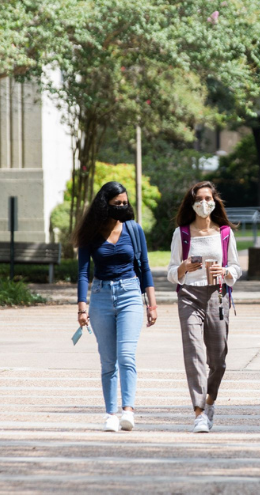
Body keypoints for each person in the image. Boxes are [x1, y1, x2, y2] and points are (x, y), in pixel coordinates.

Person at [75, 181, 157, 432]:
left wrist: (151, 305)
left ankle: (128, 410)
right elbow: (82, 272)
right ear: (104, 205)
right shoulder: (90, 232)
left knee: (126, 355)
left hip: (130, 293)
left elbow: (144, 267)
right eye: (116, 204)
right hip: (100, 296)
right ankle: (111, 413)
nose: (122, 207)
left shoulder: (134, 229)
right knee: (108, 359)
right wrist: (81, 308)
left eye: (125, 203)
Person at [167, 181, 242, 433]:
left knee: (218, 361)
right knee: (194, 354)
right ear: (192, 203)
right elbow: (170, 271)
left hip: (218, 294)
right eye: (198, 199)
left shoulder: (224, 233)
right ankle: (199, 412)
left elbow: (236, 267)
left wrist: (226, 271)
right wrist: (183, 268)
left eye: (208, 198)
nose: (203, 203)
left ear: (214, 201)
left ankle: (209, 402)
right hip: (189, 295)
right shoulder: (182, 233)